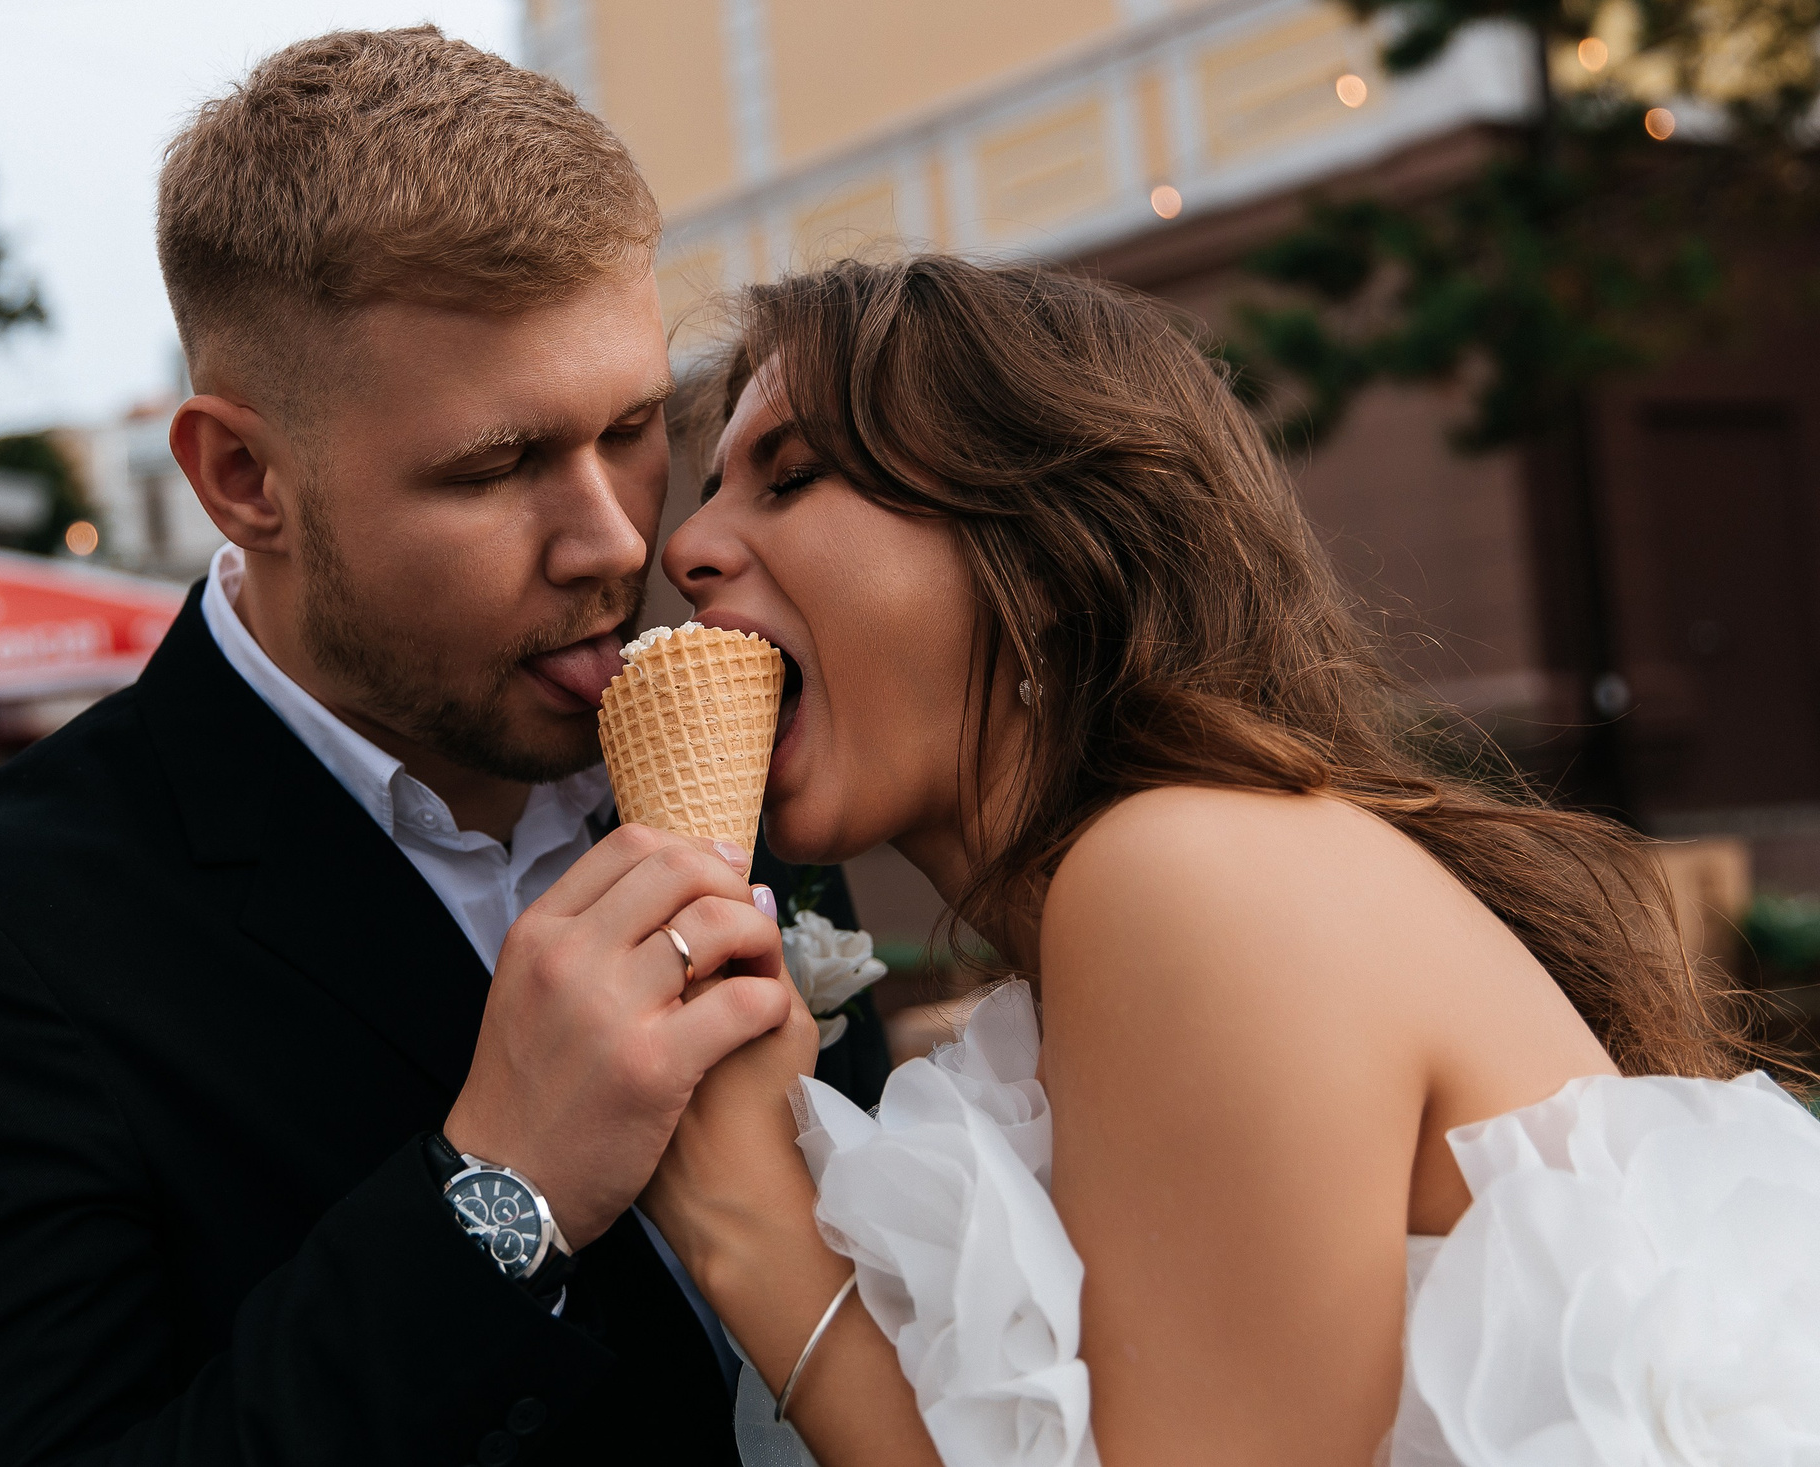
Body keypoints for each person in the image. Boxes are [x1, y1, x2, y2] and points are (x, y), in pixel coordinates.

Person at [0, 26, 887, 1467]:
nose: (617, 536)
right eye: (494, 466)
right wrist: (495, 1194)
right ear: (243, 476)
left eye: (635, 425)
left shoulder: (734, 759)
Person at [632, 255, 1820, 1467]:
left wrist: (748, 1224)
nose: (684, 549)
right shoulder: (1137, 923)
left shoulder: (1190, 872)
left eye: (789, 478)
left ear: (1041, 559)